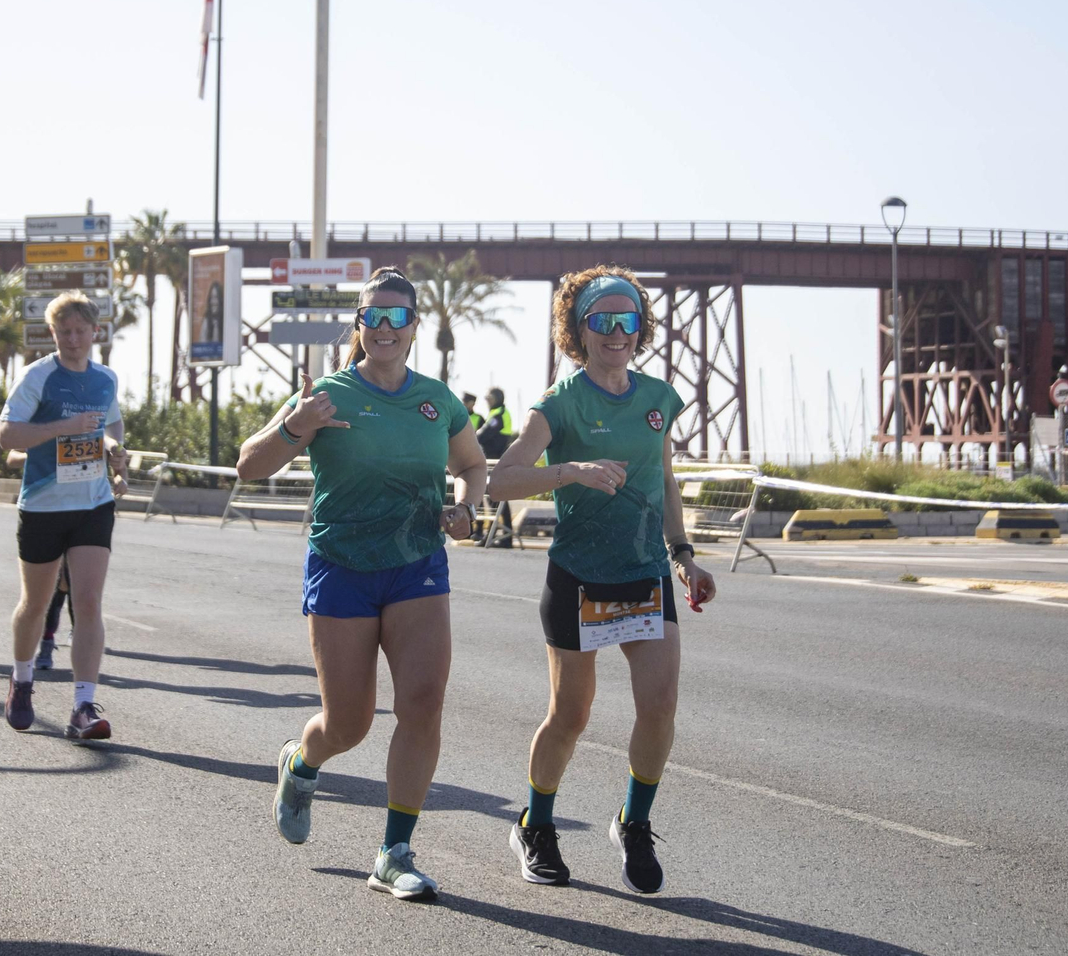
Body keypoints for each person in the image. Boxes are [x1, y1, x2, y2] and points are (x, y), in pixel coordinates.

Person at [236, 267, 487, 902]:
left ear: (413, 328)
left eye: (397, 317)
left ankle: (394, 852)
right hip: (343, 567)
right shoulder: (328, 394)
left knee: (423, 702)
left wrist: (466, 506)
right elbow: (248, 465)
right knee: (348, 723)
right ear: (358, 325)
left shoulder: (437, 400)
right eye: (373, 316)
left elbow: (472, 465)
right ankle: (303, 761)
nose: (385, 328)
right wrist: (297, 426)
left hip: (417, 564)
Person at [488, 266, 718, 894]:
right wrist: (571, 470)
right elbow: (500, 480)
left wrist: (684, 555)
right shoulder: (560, 403)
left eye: (628, 320)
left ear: (640, 327)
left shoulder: (658, 399)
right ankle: (535, 823)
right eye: (602, 320)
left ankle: (633, 822)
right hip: (579, 577)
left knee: (661, 706)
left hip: (645, 573)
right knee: (571, 715)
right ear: (579, 330)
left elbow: (664, 481)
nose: (617, 332)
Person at [0, 293, 130, 739]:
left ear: (95, 332)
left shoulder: (105, 378)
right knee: (35, 604)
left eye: (80, 331)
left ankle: (82, 706)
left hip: (92, 504)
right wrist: (61, 428)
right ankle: (21, 679)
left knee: (88, 602)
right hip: (43, 505)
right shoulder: (38, 377)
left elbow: (110, 426)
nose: (73, 339)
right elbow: (7, 435)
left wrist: (113, 451)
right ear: (53, 334)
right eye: (64, 331)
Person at [5, 447, 75, 672]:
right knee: (58, 583)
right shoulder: (41, 422)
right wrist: (37, 454)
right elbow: (11, 457)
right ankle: (46, 642)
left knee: (70, 582)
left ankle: (72, 635)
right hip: (46, 508)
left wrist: (120, 474)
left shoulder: (88, 420)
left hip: (82, 508)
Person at [477, 387, 513, 460]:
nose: (487, 401)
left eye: (489, 398)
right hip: (492, 455)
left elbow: (484, 434)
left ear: (497, 399)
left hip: (494, 456)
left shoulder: (499, 414)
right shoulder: (496, 411)